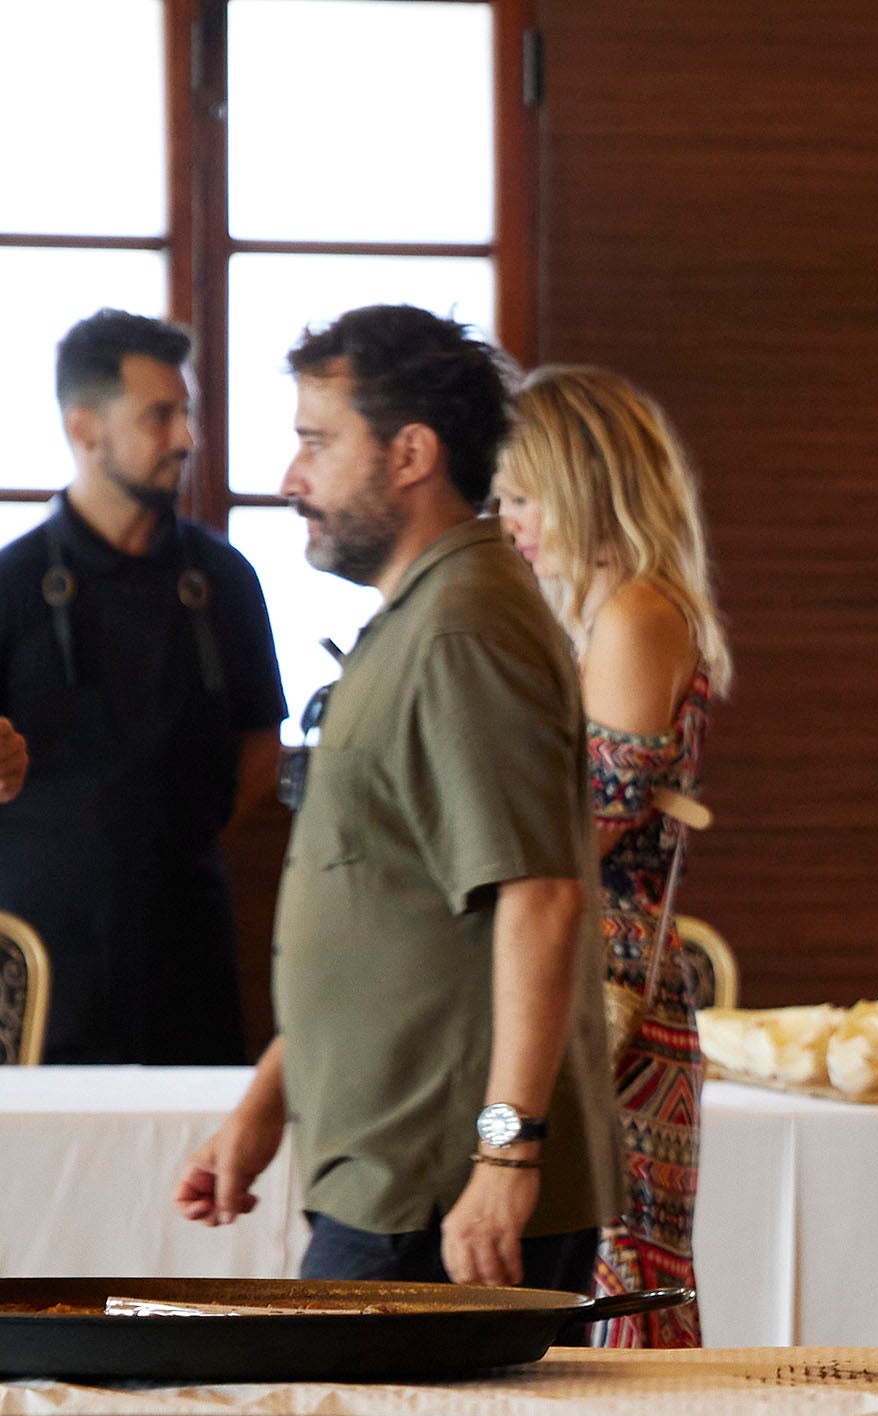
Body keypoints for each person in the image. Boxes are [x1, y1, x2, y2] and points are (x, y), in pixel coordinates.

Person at [173, 305, 615, 1289]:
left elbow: (540, 898)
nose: (293, 482)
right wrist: (264, 1109)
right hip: (399, 1176)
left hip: (442, 1196)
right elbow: (388, 910)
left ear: (410, 454)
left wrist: (506, 1154)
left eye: (317, 445)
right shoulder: (423, 617)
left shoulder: (465, 629)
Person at [494, 366, 731, 1346]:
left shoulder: (634, 615)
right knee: (600, 1264)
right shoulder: (608, 613)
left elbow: (576, 830)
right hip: (601, 978)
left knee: (617, 1267)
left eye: (519, 494)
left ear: (581, 486)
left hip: (610, 991)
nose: (504, 518)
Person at [0, 310, 283, 1063]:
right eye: (160, 416)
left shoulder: (222, 579)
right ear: (84, 428)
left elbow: (261, 754)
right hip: (35, 957)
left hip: (186, 944)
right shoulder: (12, 582)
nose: (186, 439)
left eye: (185, 413)